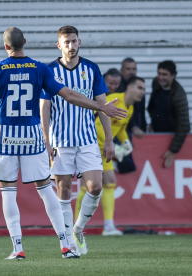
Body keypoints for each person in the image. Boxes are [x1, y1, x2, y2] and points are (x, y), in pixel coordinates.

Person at [0, 27, 127, 260]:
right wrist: (101, 106)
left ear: (6, 47)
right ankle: (66, 245)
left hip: (5, 137)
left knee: (8, 191)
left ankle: (17, 248)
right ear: (24, 42)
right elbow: (69, 95)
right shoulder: (40, 69)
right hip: (33, 136)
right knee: (46, 189)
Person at [40, 25, 114, 255]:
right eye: (66, 42)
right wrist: (46, 139)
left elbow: (103, 107)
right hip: (60, 141)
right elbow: (45, 106)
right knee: (64, 193)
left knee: (95, 187)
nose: (71, 46)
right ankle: (69, 246)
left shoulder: (91, 69)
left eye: (74, 41)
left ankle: (78, 229)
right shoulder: (49, 70)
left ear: (79, 42)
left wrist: (109, 139)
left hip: (87, 140)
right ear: (58, 45)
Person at [74, 76, 146, 236]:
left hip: (102, 148)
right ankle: (83, 225)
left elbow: (119, 129)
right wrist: (109, 144)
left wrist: (126, 142)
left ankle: (107, 226)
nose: (143, 92)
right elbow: (94, 122)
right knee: (90, 186)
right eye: (140, 88)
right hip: (92, 146)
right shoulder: (114, 101)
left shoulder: (131, 108)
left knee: (106, 182)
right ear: (129, 88)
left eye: (144, 89)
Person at [148, 60, 190, 168]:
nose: (160, 77)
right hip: (156, 134)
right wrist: (152, 122)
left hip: (170, 137)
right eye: (159, 73)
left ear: (173, 76)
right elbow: (155, 105)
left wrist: (173, 150)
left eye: (164, 75)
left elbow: (184, 125)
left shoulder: (179, 95)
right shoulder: (156, 83)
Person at [118, 57, 146, 139]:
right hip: (121, 132)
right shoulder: (117, 87)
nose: (131, 72)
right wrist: (133, 126)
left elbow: (141, 111)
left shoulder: (140, 86)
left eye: (134, 69)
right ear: (121, 70)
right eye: (128, 69)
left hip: (139, 132)